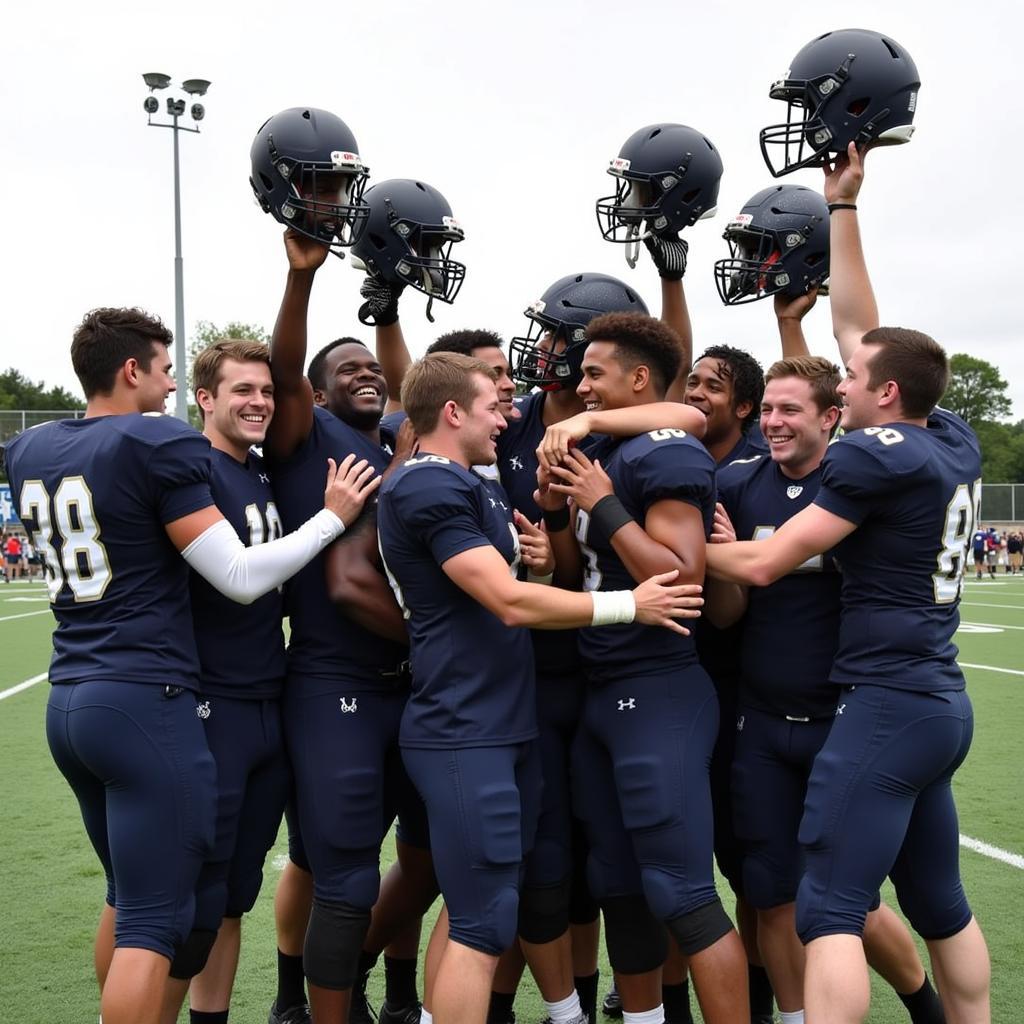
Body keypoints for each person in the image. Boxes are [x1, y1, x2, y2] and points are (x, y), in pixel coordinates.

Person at [0, 307, 378, 1024]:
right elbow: (236, 574)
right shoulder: (164, 447)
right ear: (132, 371)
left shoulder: (36, 448)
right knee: (161, 915)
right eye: (168, 370)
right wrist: (329, 519)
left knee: (160, 897)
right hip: (162, 695)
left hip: (83, 685)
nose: (171, 385)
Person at [704, 143, 991, 1024]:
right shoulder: (952, 437)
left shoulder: (874, 456)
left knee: (829, 908)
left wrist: (654, 544)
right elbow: (859, 332)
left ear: (882, 395)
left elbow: (760, 563)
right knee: (942, 904)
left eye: (855, 382)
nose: (844, 378)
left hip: (885, 700)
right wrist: (844, 208)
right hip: (941, 701)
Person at [377, 352, 702, 1024]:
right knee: (483, 920)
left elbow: (684, 414)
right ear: (452, 412)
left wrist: (541, 554)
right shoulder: (427, 486)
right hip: (465, 727)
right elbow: (507, 603)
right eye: (492, 406)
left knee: (481, 910)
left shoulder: (474, 483)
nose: (509, 415)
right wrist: (627, 605)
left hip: (500, 720)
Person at [709, 355, 945, 1024]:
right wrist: (723, 568)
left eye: (792, 410)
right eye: (771, 409)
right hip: (761, 716)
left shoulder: (862, 481)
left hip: (845, 717)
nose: (775, 424)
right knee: (774, 892)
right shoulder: (737, 482)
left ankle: (923, 1003)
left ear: (833, 416)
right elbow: (728, 615)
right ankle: (794, 1015)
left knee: (851, 903)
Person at [538, 313, 749, 1024]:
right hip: (603, 688)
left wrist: (601, 502)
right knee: (617, 883)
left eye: (595, 372)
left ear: (638, 379)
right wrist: (557, 518)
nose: (581, 384)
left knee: (681, 892)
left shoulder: (665, 450)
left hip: (657, 689)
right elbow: (579, 576)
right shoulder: (606, 446)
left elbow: (682, 579)